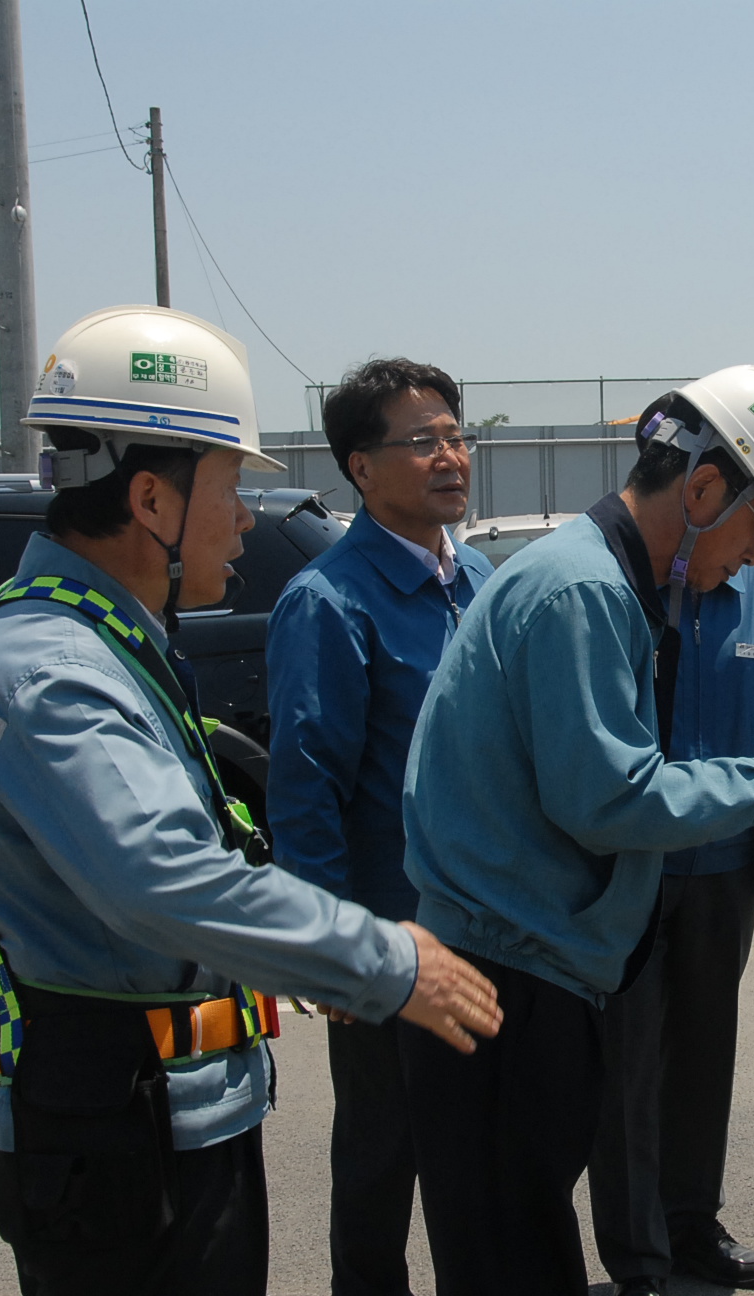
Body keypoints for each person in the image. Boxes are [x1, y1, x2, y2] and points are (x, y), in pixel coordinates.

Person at [0, 305, 500, 1296]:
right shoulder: (50, 669)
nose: (245, 518)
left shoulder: (108, 644)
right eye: (232, 487)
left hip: (164, 1117)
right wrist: (380, 955)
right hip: (120, 1136)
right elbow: (164, 878)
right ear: (151, 500)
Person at [399, 366, 754, 1296]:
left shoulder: (587, 577)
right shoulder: (586, 593)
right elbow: (608, 799)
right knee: (511, 1257)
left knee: (514, 1244)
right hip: (510, 980)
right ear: (706, 489)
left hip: (519, 968)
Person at [265, 357, 492, 1296]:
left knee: (481, 1154)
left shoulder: (476, 578)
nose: (450, 456)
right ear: (361, 468)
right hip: (390, 936)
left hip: (489, 925)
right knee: (382, 1152)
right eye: (421, 440)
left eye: (455, 434)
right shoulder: (328, 603)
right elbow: (306, 785)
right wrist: (331, 945)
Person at [585, 413, 754, 1296]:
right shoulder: (624, 579)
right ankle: (637, 1253)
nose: (753, 553)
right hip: (633, 870)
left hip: (723, 870)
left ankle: (692, 1227)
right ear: (704, 494)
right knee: (628, 1067)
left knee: (704, 1056)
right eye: (752, 528)